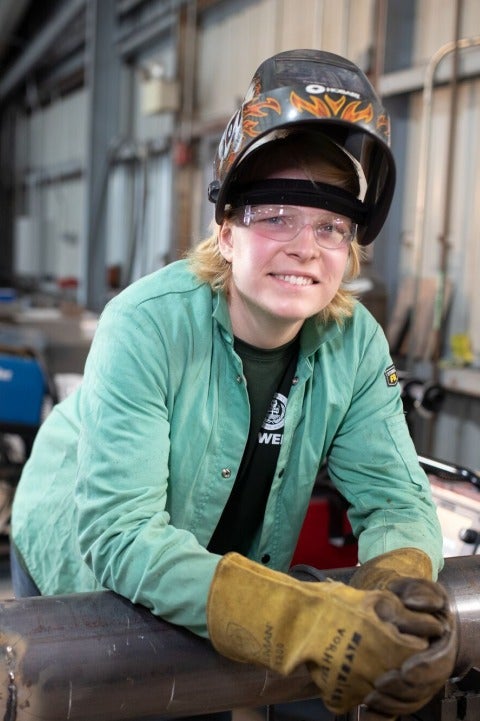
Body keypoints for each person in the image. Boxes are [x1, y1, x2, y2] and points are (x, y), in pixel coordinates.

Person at [11, 49, 456, 718]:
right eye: (276, 216)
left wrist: (397, 589)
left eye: (332, 227)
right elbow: (123, 534)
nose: (305, 246)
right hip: (81, 553)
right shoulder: (145, 323)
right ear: (225, 231)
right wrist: (304, 620)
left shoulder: (354, 340)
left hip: (219, 564)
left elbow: (395, 498)